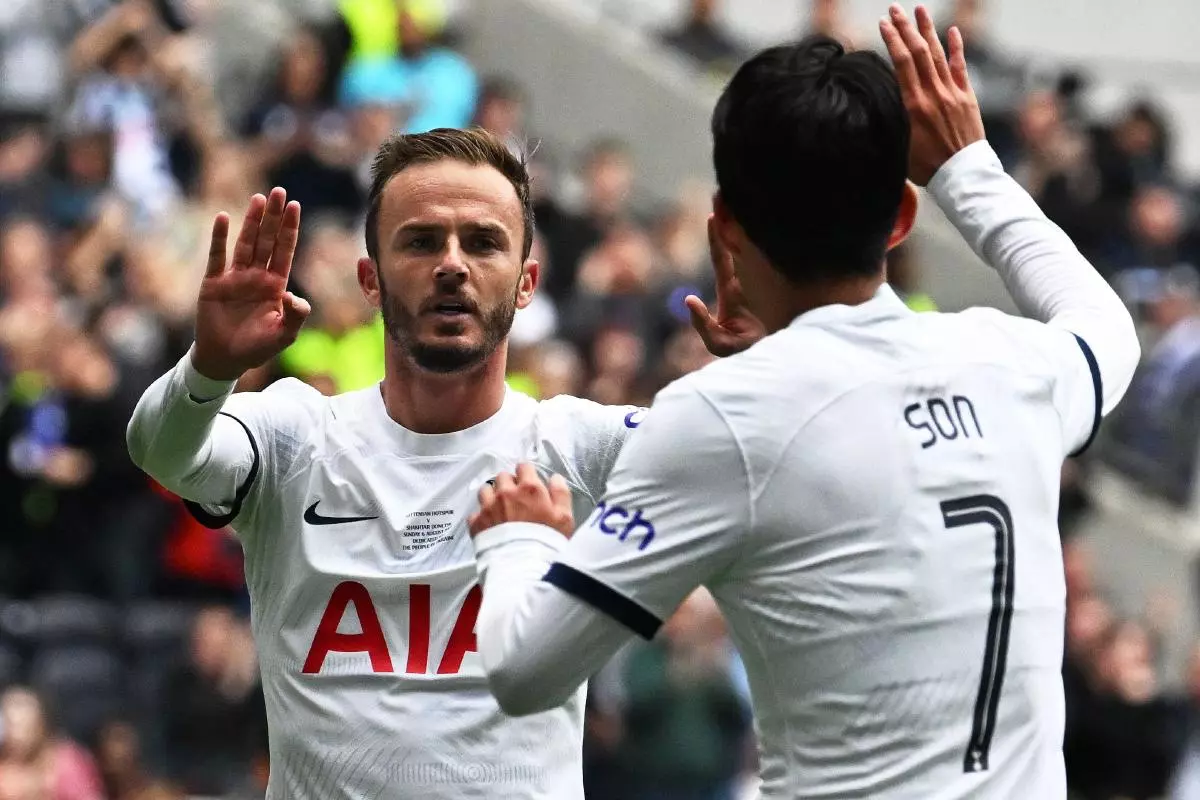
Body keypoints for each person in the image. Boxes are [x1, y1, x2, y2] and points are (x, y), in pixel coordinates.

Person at [465, 6, 1141, 799]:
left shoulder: (725, 418)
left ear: (724, 232)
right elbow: (1107, 330)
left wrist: (516, 540)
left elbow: (523, 670)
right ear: (901, 218)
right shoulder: (1013, 363)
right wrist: (968, 165)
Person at [125, 127, 647, 798]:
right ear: (369, 279)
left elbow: (755, 470)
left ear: (527, 284)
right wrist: (209, 368)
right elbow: (161, 450)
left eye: (483, 242)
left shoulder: (576, 445)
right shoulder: (297, 434)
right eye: (422, 240)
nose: (452, 264)